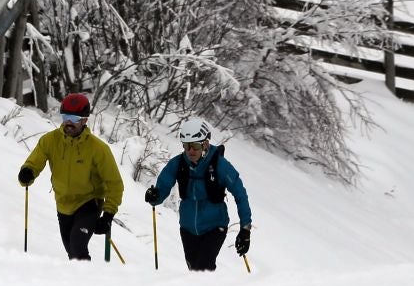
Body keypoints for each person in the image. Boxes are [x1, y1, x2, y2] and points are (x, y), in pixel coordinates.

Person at [17, 92, 124, 261]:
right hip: (63, 204)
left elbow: (115, 184)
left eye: (74, 118)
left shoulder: (98, 149)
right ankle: (82, 284)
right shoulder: (50, 141)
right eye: (66, 116)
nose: (68, 122)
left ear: (84, 120)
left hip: (89, 202)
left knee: (77, 246)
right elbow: (34, 162)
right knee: (73, 255)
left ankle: (87, 284)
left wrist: (108, 215)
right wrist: (27, 173)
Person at [144, 117, 252, 271]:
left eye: (195, 146)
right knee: (194, 270)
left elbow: (241, 195)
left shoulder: (220, 166)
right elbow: (162, 188)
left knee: (203, 269)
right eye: (186, 147)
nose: (191, 151)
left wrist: (245, 230)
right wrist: (154, 196)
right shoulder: (178, 164)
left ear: (206, 144)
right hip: (187, 228)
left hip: (214, 227)